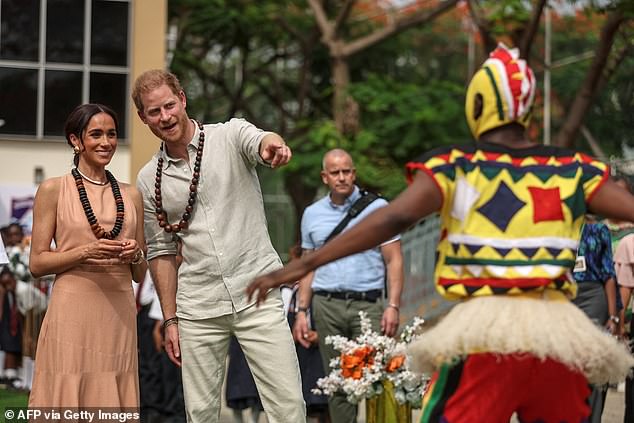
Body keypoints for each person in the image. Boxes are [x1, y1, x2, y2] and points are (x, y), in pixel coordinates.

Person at [247, 44, 634, 423]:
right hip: (559, 337)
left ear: (477, 105)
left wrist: (302, 265)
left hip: (486, 334)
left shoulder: (458, 167)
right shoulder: (571, 169)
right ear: (529, 107)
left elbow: (390, 220)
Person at [132, 69, 305, 423]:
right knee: (200, 413)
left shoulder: (229, 135)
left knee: (288, 407)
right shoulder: (149, 178)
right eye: (154, 111)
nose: (165, 117)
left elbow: (259, 140)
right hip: (198, 306)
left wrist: (272, 146)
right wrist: (169, 320)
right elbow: (161, 252)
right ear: (143, 117)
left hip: (257, 291)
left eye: (168, 105)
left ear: (182, 99)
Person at [28, 103, 147, 408]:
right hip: (72, 311)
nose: (106, 142)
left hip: (118, 312)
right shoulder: (53, 190)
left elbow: (140, 273)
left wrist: (136, 255)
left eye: (111, 134)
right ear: (75, 140)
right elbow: (37, 263)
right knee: (67, 390)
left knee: (112, 393)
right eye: (96, 134)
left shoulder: (131, 194)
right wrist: (85, 251)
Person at [292, 148, 403, 422]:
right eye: (335, 172)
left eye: (346, 171)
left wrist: (393, 306)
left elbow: (395, 260)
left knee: (376, 379)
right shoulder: (312, 214)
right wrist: (301, 312)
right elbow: (308, 266)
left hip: (369, 305)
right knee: (337, 383)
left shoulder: (378, 208)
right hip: (327, 305)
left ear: (354, 173)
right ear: (324, 177)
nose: (342, 177)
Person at [572, 218, 619, 422]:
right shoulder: (563, 222)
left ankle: (592, 418)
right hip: (564, 295)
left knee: (592, 362)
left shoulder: (600, 229)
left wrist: (613, 316)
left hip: (593, 295)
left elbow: (609, 273)